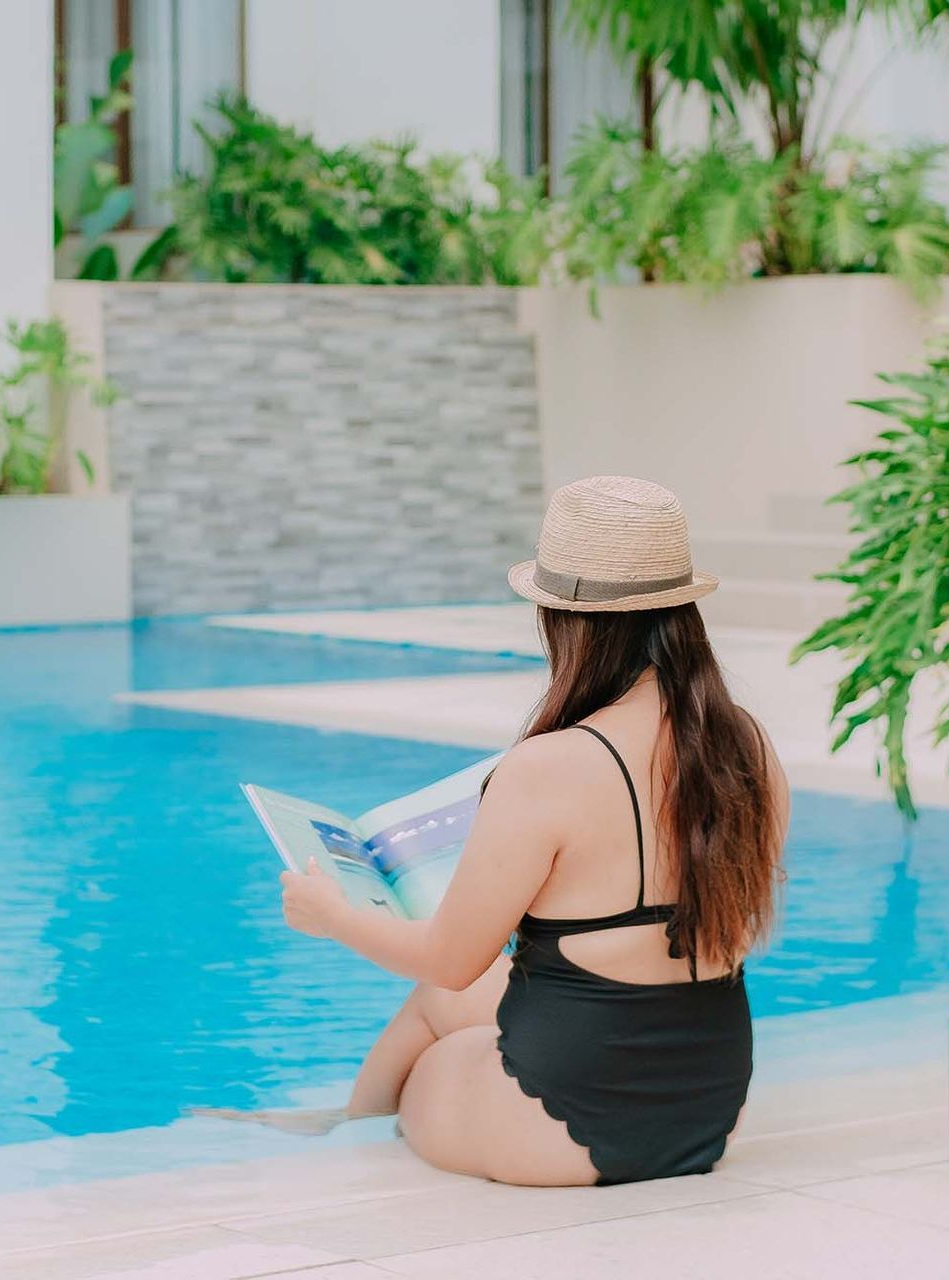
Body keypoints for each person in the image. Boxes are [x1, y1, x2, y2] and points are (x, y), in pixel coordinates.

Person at [279, 475, 790, 1186]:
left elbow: (449, 958)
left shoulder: (549, 766)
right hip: (707, 1112)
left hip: (559, 1124)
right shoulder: (747, 748)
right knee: (447, 1002)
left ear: (563, 620)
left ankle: (344, 1136)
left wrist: (333, 915)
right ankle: (345, 1124)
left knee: (428, 1045)